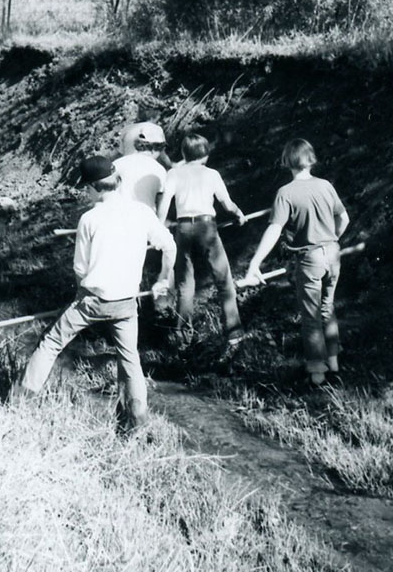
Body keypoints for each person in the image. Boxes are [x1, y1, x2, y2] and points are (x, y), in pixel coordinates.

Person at [15, 155, 176, 430]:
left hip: (91, 301)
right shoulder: (142, 212)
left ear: (91, 188)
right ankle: (137, 421)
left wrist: (79, 298)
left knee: (51, 343)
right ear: (118, 180)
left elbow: (80, 268)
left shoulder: (89, 219)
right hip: (127, 303)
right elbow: (169, 245)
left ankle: (18, 403)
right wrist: (163, 277)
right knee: (130, 359)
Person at [243, 139, 350, 386]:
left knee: (311, 315)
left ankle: (317, 374)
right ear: (311, 158)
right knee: (327, 307)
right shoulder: (325, 185)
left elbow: (273, 230)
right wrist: (332, 240)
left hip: (310, 259)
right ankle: (334, 363)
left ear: (286, 161)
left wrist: (254, 264)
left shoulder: (286, 193)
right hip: (333, 253)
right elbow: (344, 218)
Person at [156, 133, 247, 345]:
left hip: (184, 228)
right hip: (207, 227)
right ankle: (234, 333)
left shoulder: (174, 174)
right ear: (205, 154)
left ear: (184, 154)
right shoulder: (212, 174)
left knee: (185, 284)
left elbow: (164, 203)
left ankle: (183, 339)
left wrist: (159, 225)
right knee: (223, 280)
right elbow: (227, 203)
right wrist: (238, 214)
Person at [113, 122, 168, 210]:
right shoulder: (159, 169)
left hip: (119, 215)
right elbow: (161, 202)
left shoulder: (117, 164)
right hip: (146, 218)